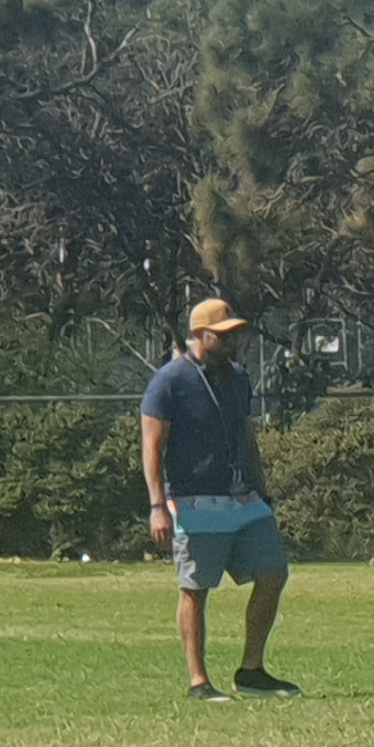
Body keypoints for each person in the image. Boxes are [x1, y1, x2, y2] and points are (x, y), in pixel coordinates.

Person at [141, 298, 297, 701]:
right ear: (200, 335)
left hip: (242, 498)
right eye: (222, 336)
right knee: (195, 589)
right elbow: (152, 446)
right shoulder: (170, 381)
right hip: (194, 501)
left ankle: (252, 671)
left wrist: (261, 489)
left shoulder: (238, 379)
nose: (232, 342)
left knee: (273, 573)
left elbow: (246, 435)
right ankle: (199, 681)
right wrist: (158, 506)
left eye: (234, 335)